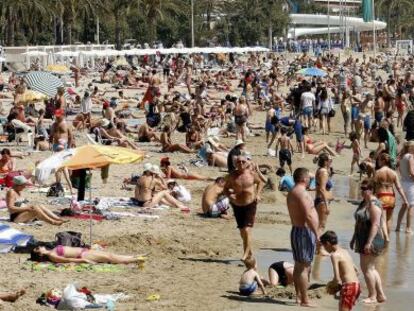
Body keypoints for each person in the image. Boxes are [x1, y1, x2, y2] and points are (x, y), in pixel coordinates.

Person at [350, 179, 386, 305]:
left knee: (367, 269)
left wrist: (368, 243)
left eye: (365, 188)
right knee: (371, 268)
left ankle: (372, 296)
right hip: (362, 238)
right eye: (362, 188)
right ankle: (380, 295)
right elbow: (358, 222)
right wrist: (354, 238)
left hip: (372, 240)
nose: (363, 191)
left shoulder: (374, 204)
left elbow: (376, 225)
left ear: (372, 189)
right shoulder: (363, 203)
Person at [287, 167, 319, 307]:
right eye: (309, 178)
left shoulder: (293, 191)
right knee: (304, 266)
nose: (310, 179)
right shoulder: (302, 193)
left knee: (299, 265)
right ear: (304, 178)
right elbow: (308, 215)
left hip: (297, 230)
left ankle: (299, 297)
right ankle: (305, 300)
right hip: (304, 232)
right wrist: (317, 234)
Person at [223, 155, 264, 261]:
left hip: (250, 204)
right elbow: (226, 188)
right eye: (238, 162)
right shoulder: (232, 176)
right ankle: (249, 252)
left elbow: (260, 182)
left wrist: (258, 194)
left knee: (247, 230)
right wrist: (229, 195)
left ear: (246, 163)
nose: (240, 163)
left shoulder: (251, 174)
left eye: (243, 162)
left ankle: (245, 254)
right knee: (242, 231)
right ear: (235, 164)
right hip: (237, 205)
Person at [320, 231, 361, 311]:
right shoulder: (345, 251)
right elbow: (357, 271)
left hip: (349, 287)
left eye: (324, 246)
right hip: (357, 286)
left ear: (327, 243)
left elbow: (337, 278)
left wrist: (330, 285)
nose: (324, 249)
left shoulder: (334, 255)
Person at [374, 153, 408, 239]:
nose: (378, 162)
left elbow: (372, 186)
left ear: (383, 161)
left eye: (379, 160)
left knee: (383, 220)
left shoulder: (378, 172)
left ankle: (385, 239)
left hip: (381, 196)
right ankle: (387, 241)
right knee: (389, 220)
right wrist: (405, 200)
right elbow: (399, 187)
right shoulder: (394, 173)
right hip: (391, 197)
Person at [32, 246, 146, 264]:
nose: (40, 246)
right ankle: (135, 260)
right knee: (109, 258)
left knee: (110, 255)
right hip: (83, 256)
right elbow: (66, 260)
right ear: (41, 254)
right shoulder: (52, 255)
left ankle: (134, 257)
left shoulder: (52, 250)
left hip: (84, 251)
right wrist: (83, 261)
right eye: (38, 248)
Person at [396, 141, 414, 233]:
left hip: (403, 182)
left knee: (404, 205)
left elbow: (399, 170)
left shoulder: (402, 156)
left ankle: (398, 226)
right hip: (410, 184)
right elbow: (411, 172)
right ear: (411, 148)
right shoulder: (410, 157)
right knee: (411, 206)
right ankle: (408, 228)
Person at [315, 153, 333, 239]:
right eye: (330, 160)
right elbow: (322, 189)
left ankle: (315, 247)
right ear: (326, 162)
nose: (331, 161)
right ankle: (316, 248)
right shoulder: (324, 172)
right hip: (322, 201)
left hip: (320, 200)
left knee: (318, 225)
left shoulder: (321, 170)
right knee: (321, 227)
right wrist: (326, 205)